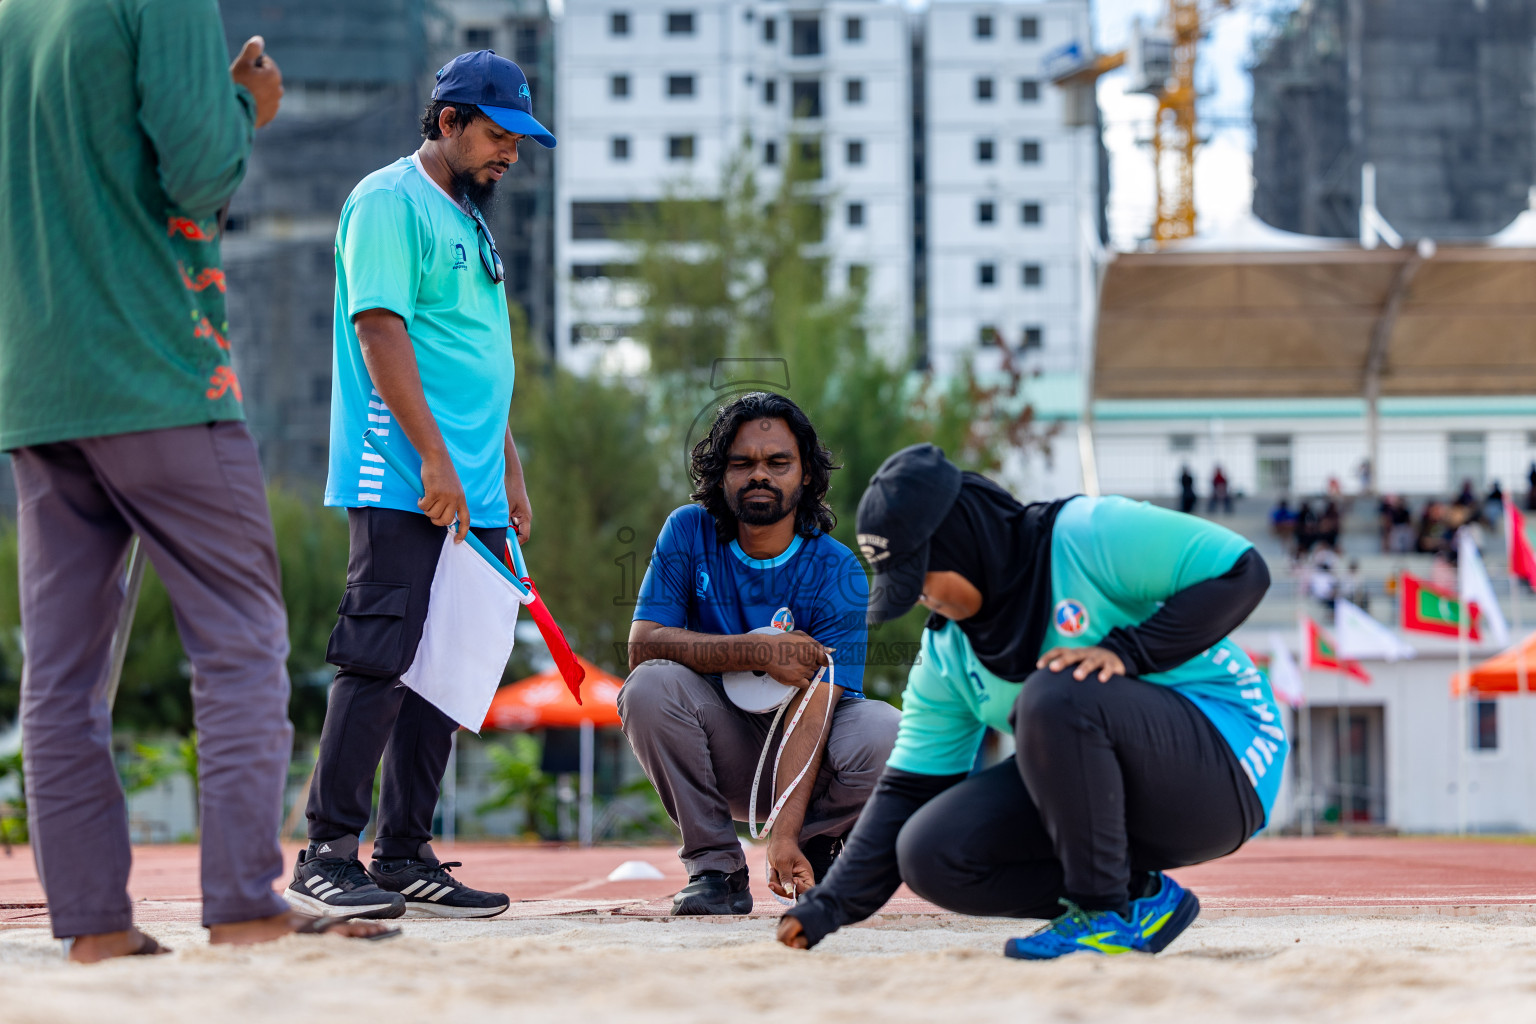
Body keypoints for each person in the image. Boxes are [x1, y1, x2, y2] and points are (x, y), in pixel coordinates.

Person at [0, 0, 393, 958]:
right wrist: (245, 104)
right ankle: (244, 900)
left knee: (60, 676)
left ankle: (93, 927)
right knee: (242, 637)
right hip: (159, 369)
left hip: (39, 381)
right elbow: (199, 171)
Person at [776, 445, 1283, 959]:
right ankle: (1137, 901)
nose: (923, 599)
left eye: (923, 578)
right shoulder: (947, 650)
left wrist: (1127, 652)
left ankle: (1102, 913)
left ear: (961, 542)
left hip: (1230, 763)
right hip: (1116, 801)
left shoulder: (1087, 535)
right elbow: (905, 793)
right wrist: (827, 906)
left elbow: (1243, 571)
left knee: (1054, 691)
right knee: (929, 852)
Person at [291, 50, 555, 920]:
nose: (511, 152)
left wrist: (504, 465)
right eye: (498, 133)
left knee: (444, 673)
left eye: (520, 137)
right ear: (447, 121)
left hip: (474, 492)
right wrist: (437, 460)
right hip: (406, 475)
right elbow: (381, 332)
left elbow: (472, 358)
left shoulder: (470, 220)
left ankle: (403, 852)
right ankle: (328, 852)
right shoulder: (388, 201)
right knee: (380, 656)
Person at [619, 393, 900, 915]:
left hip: (811, 755)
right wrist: (757, 650)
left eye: (778, 462)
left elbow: (814, 709)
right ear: (720, 475)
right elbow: (643, 644)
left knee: (888, 732)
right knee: (648, 687)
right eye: (742, 463)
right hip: (724, 744)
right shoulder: (688, 529)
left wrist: (786, 833)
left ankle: (815, 841)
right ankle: (715, 869)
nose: (759, 475)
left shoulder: (836, 568)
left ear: (807, 475)